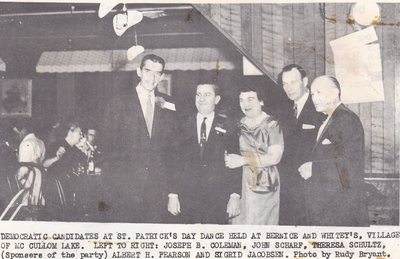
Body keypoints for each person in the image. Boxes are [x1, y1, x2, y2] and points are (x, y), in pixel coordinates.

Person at [102, 54, 177, 223]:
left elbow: (172, 152)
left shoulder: (169, 104)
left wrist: (172, 192)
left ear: (162, 76)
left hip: (157, 191)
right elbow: (107, 148)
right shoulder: (118, 102)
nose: (152, 77)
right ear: (139, 72)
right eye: (148, 71)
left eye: (157, 73)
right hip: (124, 190)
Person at [298, 75, 369, 226]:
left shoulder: (346, 119)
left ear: (335, 93)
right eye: (312, 94)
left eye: (319, 92)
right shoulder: (329, 119)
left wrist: (314, 169)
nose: (314, 98)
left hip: (341, 212)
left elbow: (350, 166)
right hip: (328, 210)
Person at [168, 83, 241, 224]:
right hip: (186, 197)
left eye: (207, 95)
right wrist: (173, 194)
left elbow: (235, 160)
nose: (201, 99)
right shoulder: (181, 123)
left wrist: (235, 195)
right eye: (198, 94)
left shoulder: (228, 124)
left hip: (218, 197)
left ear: (217, 99)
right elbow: (173, 160)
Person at [225, 85, 284, 225]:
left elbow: (275, 157)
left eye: (250, 99)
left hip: (264, 182)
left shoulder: (272, 124)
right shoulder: (237, 124)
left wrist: (244, 160)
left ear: (261, 101)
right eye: (241, 100)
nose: (245, 104)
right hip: (239, 182)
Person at [277, 64, 325, 225]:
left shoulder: (319, 108)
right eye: (285, 84)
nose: (288, 88)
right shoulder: (284, 109)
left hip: (311, 189)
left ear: (305, 81)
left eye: (293, 82)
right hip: (288, 188)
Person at [43, 120, 85, 220]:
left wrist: (85, 149)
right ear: (71, 132)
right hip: (56, 192)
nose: (81, 136)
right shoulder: (56, 145)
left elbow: (84, 164)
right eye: (79, 133)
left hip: (69, 189)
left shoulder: (74, 149)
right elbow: (44, 164)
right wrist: (56, 158)